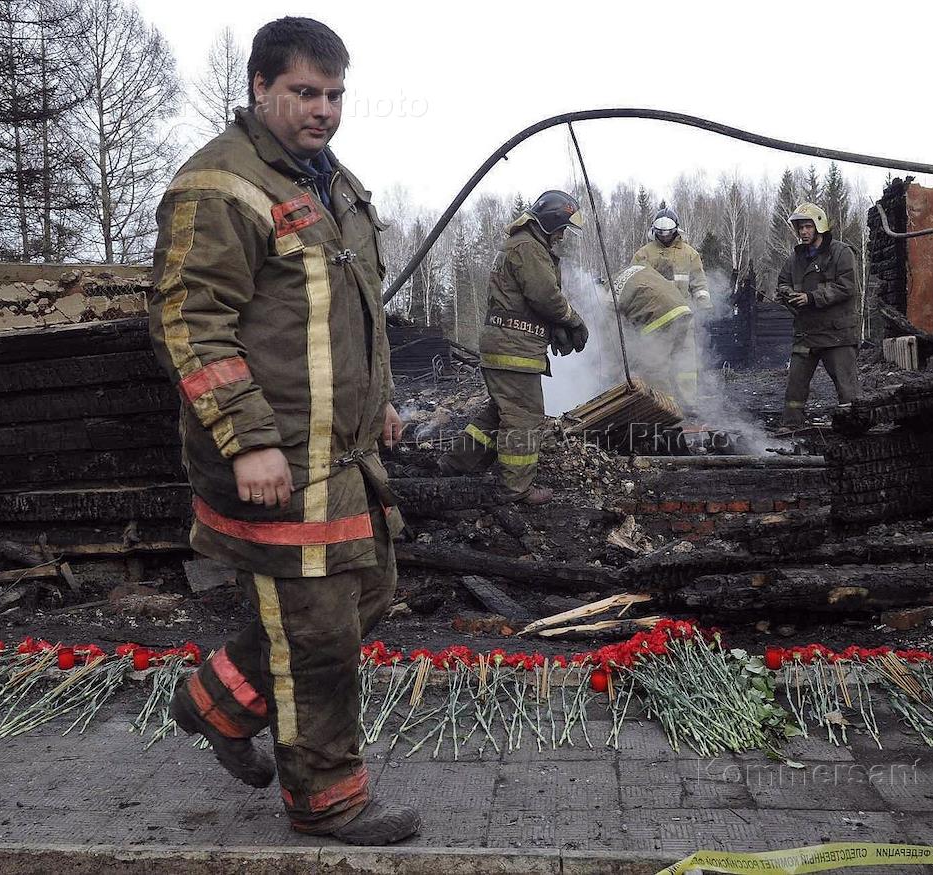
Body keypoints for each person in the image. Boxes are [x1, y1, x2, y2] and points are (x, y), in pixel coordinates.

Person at [147, 17, 419, 845]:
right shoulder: (220, 186)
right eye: (304, 92)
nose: (323, 109)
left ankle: (216, 702)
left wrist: (380, 400)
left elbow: (354, 312)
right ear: (260, 87)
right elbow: (188, 322)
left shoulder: (333, 184)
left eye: (334, 94)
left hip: (341, 456)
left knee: (369, 591)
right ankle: (328, 797)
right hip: (275, 462)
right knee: (318, 635)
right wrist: (249, 439)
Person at [437, 190, 587, 505]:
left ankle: (456, 464)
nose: (561, 236)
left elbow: (525, 299)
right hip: (513, 348)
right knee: (524, 417)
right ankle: (516, 488)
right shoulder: (528, 247)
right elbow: (545, 295)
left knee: (500, 411)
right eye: (561, 228)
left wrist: (553, 327)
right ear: (550, 222)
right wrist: (571, 320)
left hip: (508, 343)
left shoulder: (522, 244)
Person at [773, 202, 860, 432]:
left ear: (820, 226)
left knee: (847, 388)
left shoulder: (841, 253)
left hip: (837, 334)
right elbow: (782, 282)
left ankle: (855, 429)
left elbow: (846, 287)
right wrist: (787, 293)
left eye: (808, 226)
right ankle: (791, 426)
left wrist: (811, 298)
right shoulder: (795, 258)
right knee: (795, 385)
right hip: (806, 333)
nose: (803, 232)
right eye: (800, 227)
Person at [612, 263, 698, 412]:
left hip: (659, 317)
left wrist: (611, 370)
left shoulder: (606, 295)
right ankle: (688, 405)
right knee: (679, 360)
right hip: (683, 310)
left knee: (654, 368)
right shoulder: (637, 269)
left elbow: (612, 336)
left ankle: (665, 411)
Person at [632, 207, 711, 311]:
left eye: (668, 234)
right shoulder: (643, 255)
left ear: (675, 231)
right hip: (653, 314)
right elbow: (634, 286)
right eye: (661, 234)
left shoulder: (690, 254)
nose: (664, 237)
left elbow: (699, 285)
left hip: (684, 313)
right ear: (654, 231)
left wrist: (704, 308)